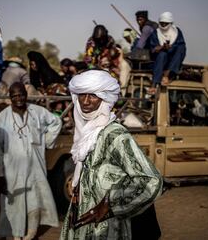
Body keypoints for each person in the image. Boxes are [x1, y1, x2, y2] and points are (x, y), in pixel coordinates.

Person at [59, 69, 162, 239]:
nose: (85, 101)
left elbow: (151, 180)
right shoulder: (86, 133)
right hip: (86, 220)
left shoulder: (115, 135)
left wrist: (111, 205)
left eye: (93, 95)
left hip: (109, 227)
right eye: (82, 95)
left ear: (105, 98)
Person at [0, 82, 61, 240]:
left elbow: (56, 122)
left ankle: (31, 233)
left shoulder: (37, 111)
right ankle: (16, 234)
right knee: (13, 204)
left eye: (21, 94)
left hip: (35, 166)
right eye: (14, 96)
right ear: (10, 98)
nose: (18, 98)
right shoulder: (3, 117)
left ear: (26, 95)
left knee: (35, 199)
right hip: (12, 170)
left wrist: (46, 141)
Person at [148, 12, 186, 94]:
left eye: (166, 23)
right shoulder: (156, 33)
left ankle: (166, 76)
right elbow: (153, 49)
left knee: (181, 48)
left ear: (170, 23)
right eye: (162, 23)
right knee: (162, 54)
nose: (164, 25)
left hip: (173, 60)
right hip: (159, 60)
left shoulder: (177, 32)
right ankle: (154, 84)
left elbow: (181, 47)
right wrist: (162, 47)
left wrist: (171, 47)